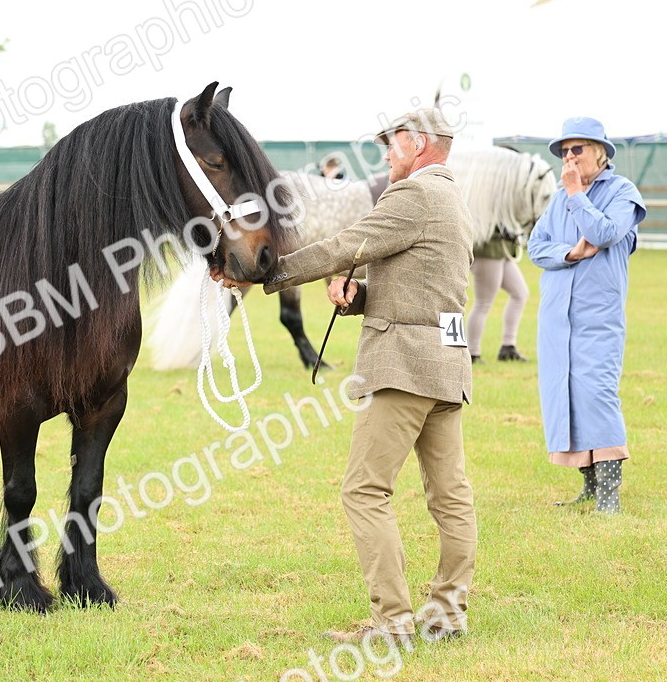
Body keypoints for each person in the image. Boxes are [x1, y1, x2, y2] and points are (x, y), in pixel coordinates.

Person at [258, 108, 476, 645]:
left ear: (419, 144)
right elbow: (425, 289)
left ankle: (393, 623)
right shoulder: (453, 199)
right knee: (450, 497)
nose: (384, 154)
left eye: (392, 143)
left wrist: (263, 272)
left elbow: (344, 246)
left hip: (405, 367)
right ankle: (447, 614)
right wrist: (359, 297)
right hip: (446, 366)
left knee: (364, 491)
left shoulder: (412, 195)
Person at [527, 117, 645, 514]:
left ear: (600, 152)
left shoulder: (621, 192)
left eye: (576, 149)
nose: (569, 158)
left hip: (597, 316)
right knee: (568, 395)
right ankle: (590, 487)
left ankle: (610, 494)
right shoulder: (558, 198)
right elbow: (536, 247)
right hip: (556, 320)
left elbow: (605, 233)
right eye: (564, 152)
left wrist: (577, 195)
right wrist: (569, 253)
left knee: (597, 394)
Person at [466, 226, 529, 363]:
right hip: (488, 249)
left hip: (502, 249)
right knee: (483, 303)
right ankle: (472, 353)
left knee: (520, 293)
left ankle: (508, 347)